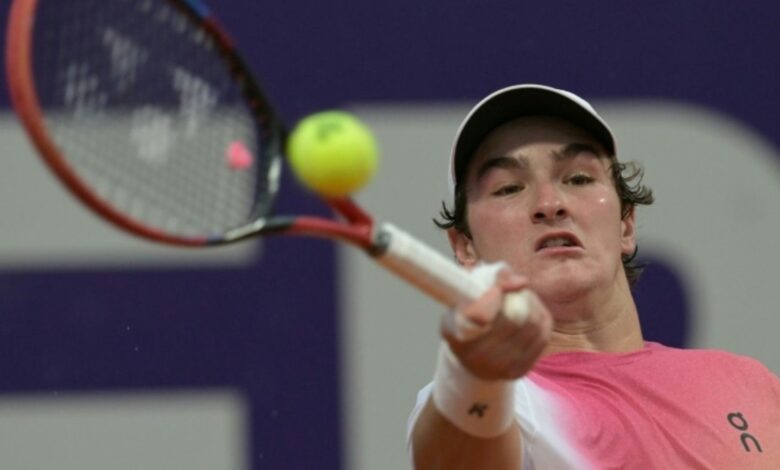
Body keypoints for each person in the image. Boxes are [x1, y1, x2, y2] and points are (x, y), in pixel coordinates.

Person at [407, 84, 780, 469]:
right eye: (509, 188)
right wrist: (470, 374)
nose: (550, 204)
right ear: (465, 247)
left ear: (626, 225)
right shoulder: (489, 400)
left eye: (579, 179)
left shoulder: (749, 383)